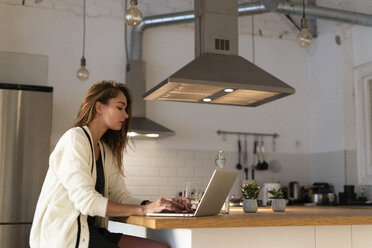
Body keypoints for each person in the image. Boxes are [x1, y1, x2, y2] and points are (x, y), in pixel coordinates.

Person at [30, 80, 191, 248]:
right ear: (100, 107)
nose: (126, 115)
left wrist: (157, 205)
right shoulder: (74, 140)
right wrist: (144, 210)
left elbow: (121, 196)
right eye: (120, 108)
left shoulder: (104, 150)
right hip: (68, 236)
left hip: (92, 231)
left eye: (125, 109)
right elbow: (87, 202)